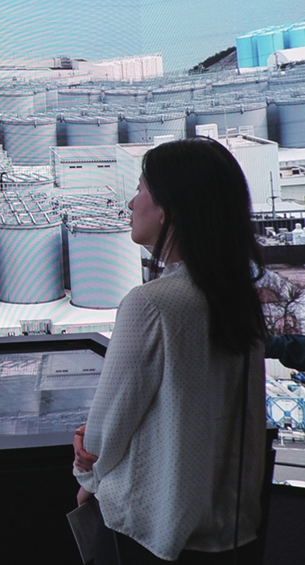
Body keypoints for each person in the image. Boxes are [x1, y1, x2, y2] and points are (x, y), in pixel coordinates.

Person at [72, 137, 267, 563]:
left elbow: (104, 434)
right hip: (236, 530)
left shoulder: (152, 303)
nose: (130, 202)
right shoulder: (238, 296)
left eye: (140, 189)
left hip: (155, 534)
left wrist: (86, 477)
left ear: (168, 210)